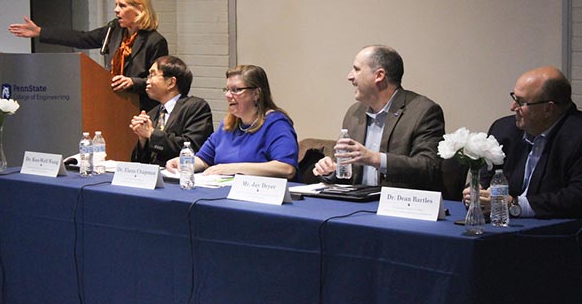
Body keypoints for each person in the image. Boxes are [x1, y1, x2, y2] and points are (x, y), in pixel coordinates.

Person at [8, 0, 168, 112]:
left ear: (139, 9)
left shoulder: (155, 41)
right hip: (113, 103)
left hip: (140, 109)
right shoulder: (114, 30)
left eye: (122, 6)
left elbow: (159, 80)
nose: (116, 10)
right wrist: (40, 32)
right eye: (116, 5)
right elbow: (82, 38)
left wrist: (132, 82)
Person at [313, 45, 445, 190]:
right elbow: (347, 174)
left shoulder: (423, 111)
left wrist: (375, 159)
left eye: (357, 69)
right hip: (357, 204)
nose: (350, 76)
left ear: (379, 76)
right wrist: (331, 170)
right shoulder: (354, 113)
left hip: (400, 205)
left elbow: (428, 168)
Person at [463, 66, 582, 218]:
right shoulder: (503, 129)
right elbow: (486, 177)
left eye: (520, 102)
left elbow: (576, 196)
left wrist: (514, 204)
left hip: (558, 232)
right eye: (514, 98)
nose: (512, 107)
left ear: (548, 109)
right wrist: (475, 190)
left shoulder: (576, 135)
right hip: (501, 224)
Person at [165, 65, 298, 180]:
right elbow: (204, 159)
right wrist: (183, 162)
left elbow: (286, 168)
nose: (228, 95)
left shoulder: (276, 124)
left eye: (236, 90)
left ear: (256, 94)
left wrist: (232, 168)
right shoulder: (228, 124)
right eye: (227, 89)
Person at [130, 55, 213, 167]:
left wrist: (151, 134)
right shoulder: (152, 114)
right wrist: (142, 138)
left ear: (171, 82)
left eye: (152, 75)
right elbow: (139, 162)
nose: (147, 80)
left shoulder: (195, 107)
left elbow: (193, 147)